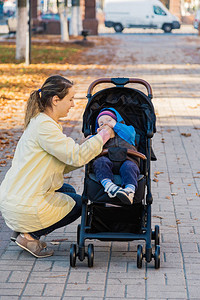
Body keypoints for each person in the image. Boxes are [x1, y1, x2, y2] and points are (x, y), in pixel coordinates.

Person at [0, 75, 113, 258]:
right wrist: (104, 135)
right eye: (70, 99)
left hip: (14, 197)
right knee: (77, 203)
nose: (73, 105)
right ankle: (29, 236)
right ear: (55, 100)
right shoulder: (46, 127)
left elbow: (61, 162)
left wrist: (88, 145)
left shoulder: (39, 122)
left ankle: (24, 229)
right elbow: (75, 157)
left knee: (66, 189)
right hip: (22, 204)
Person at [93, 108, 140, 205]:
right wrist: (99, 136)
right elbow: (91, 145)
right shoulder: (100, 136)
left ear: (117, 121)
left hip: (128, 159)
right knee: (99, 162)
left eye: (109, 120)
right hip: (107, 160)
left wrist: (115, 126)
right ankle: (109, 186)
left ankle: (129, 191)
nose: (105, 124)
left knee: (130, 167)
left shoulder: (127, 132)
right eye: (101, 123)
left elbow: (130, 134)